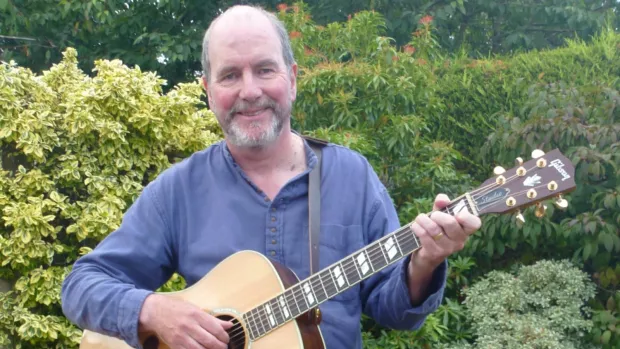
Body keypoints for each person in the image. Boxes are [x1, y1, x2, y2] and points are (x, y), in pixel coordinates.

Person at [61, 4, 481, 349]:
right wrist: (152, 311)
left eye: (265, 69)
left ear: (292, 80)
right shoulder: (178, 191)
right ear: (208, 91)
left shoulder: (352, 175)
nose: (249, 91)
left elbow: (392, 311)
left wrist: (424, 261)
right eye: (230, 75)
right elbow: (82, 285)